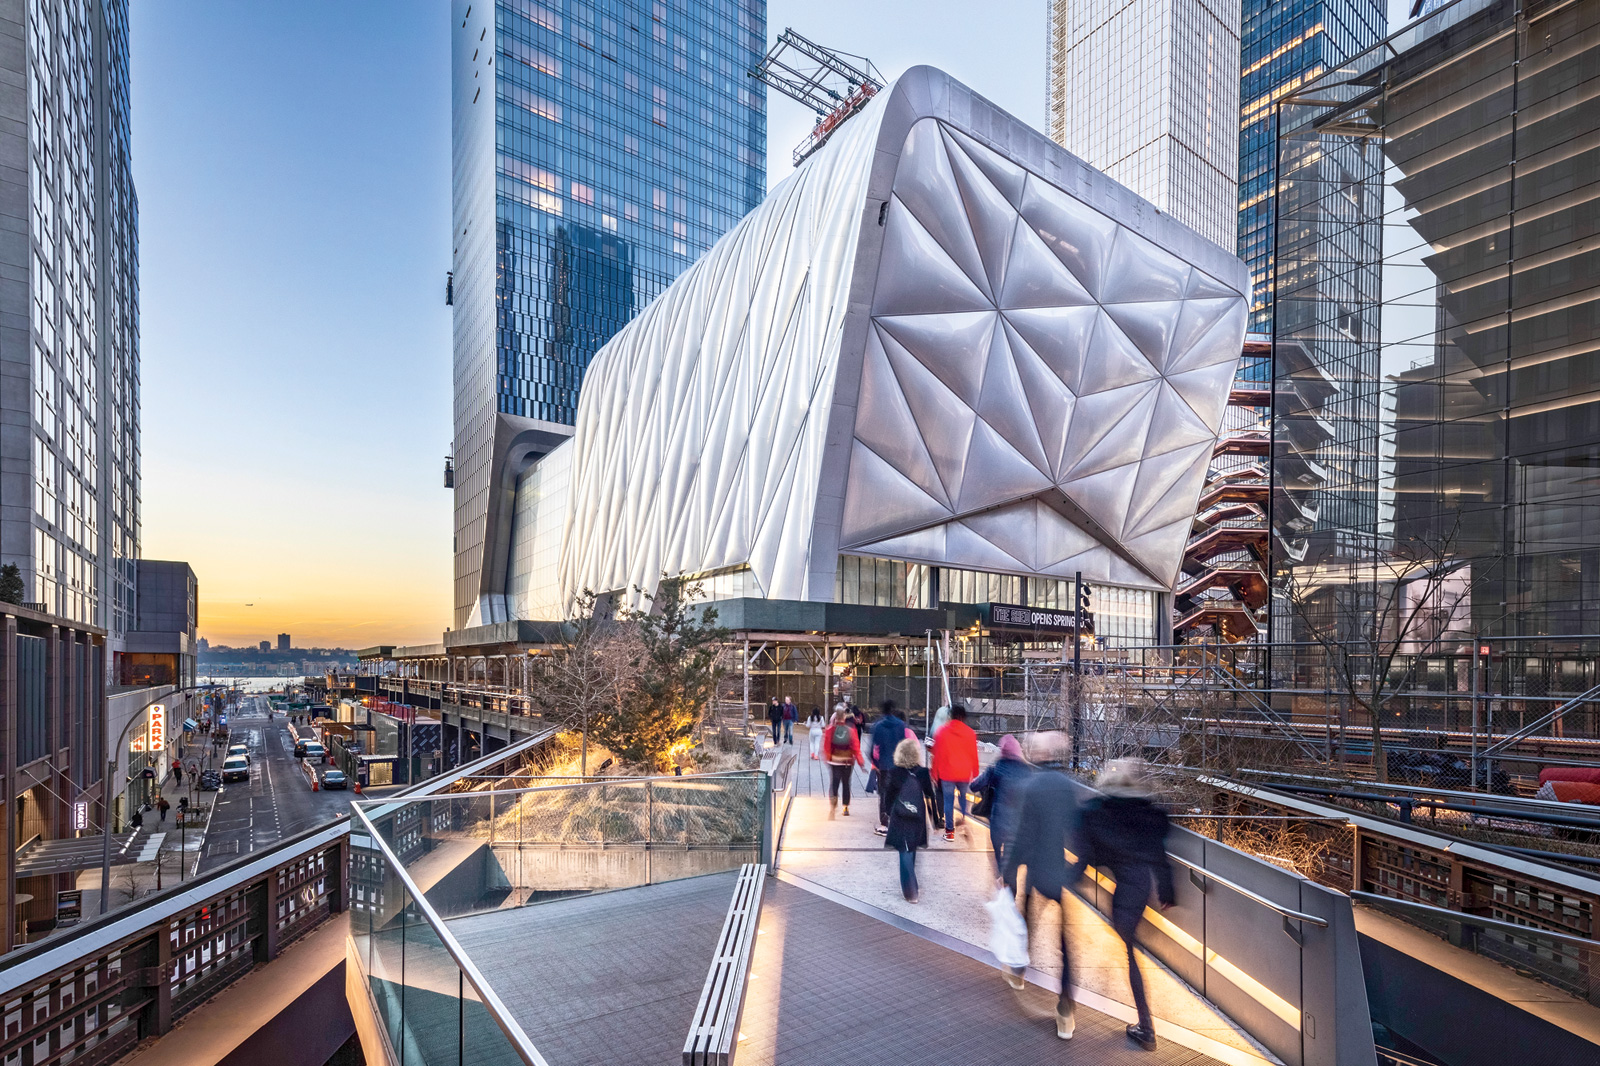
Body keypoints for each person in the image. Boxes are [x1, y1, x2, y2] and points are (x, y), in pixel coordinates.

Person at [1067, 759, 1175, 1052]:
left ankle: (1147, 1029)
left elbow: (1088, 854)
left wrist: (1068, 877)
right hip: (1139, 887)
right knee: (1129, 950)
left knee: (1130, 953)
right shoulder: (1146, 815)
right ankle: (1145, 1026)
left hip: (1125, 894)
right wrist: (1167, 891)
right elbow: (1158, 857)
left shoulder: (1099, 813)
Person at [1001, 732, 1080, 1041]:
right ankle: (1065, 1011)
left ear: (1038, 755)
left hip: (1036, 869)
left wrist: (1008, 871)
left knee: (1028, 924)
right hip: (1058, 870)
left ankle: (1019, 973)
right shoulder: (1067, 787)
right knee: (1065, 943)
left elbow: (1021, 836)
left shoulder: (1029, 786)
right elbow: (1076, 828)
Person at [883, 737, 941, 902]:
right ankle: (911, 885)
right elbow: (930, 797)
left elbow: (888, 796)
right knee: (912, 848)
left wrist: (888, 812)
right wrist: (935, 820)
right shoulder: (922, 772)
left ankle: (910, 892)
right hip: (917, 816)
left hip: (900, 816)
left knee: (904, 850)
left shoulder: (894, 771)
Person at [971, 734, 1031, 878]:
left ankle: (1000, 876)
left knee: (996, 850)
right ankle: (1010, 887)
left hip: (998, 819)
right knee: (1012, 857)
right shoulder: (1027, 770)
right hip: (1018, 822)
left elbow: (974, 786)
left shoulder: (995, 768)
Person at [931, 704, 980, 842]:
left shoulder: (942, 732)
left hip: (947, 772)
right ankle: (964, 819)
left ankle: (949, 832)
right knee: (963, 797)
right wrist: (975, 772)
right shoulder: (970, 733)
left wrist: (934, 772)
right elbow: (973, 755)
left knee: (948, 801)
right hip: (964, 772)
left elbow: (937, 754)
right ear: (964, 717)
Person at [869, 701, 910, 835]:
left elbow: (872, 748)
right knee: (897, 793)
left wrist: (876, 763)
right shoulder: (900, 725)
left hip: (884, 765)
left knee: (883, 793)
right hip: (898, 764)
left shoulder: (878, 726)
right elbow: (904, 745)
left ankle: (884, 824)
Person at [821, 708, 865, 817]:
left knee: (834, 783)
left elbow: (826, 747)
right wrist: (860, 762)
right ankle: (845, 807)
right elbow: (855, 747)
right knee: (846, 784)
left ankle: (832, 806)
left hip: (834, 761)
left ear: (835, 717)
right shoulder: (850, 730)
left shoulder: (830, 729)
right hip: (847, 762)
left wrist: (828, 758)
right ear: (844, 717)